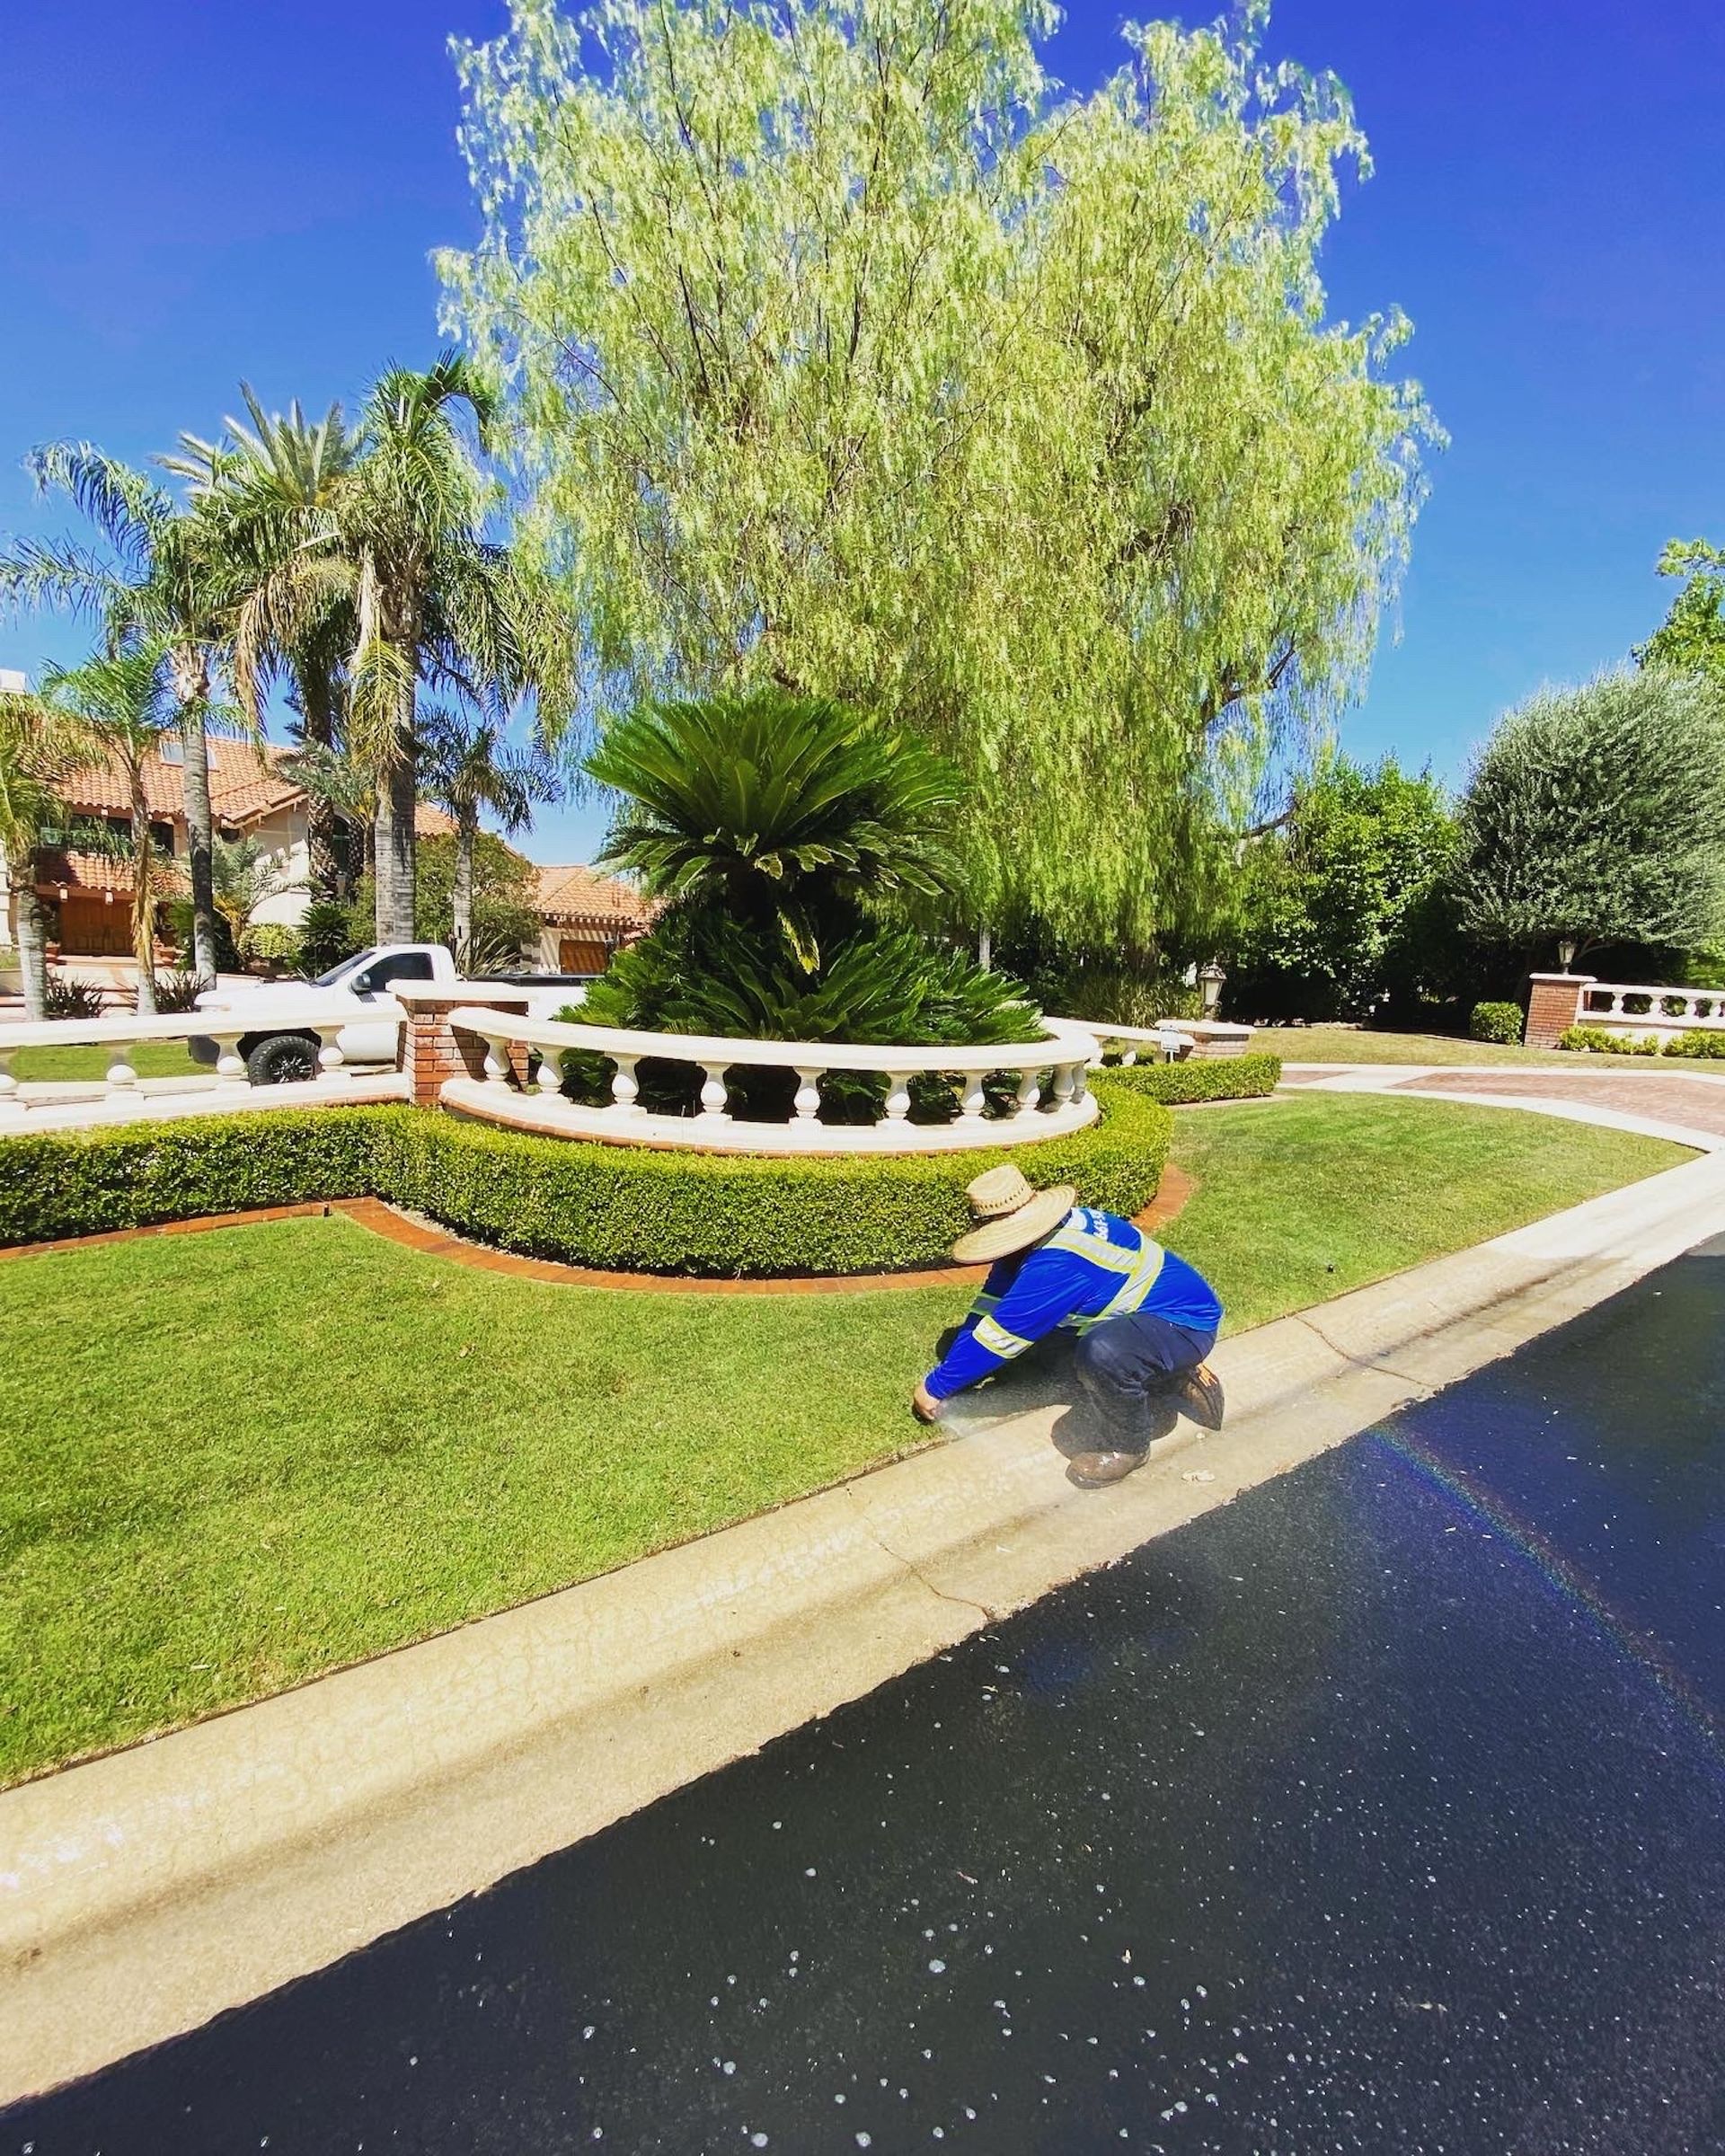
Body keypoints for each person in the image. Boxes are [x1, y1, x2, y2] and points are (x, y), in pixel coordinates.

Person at [911, 1163, 1225, 1487]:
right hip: (1141, 1316)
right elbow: (986, 1315)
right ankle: (1160, 1372)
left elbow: (1003, 1337)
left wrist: (936, 1387)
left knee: (1103, 1354)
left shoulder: (1058, 1261)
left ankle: (1128, 1444)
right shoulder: (1041, 1239)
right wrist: (951, 1375)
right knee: (1045, 1354)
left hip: (1183, 1325)